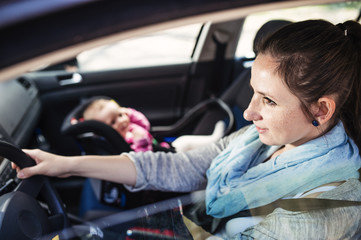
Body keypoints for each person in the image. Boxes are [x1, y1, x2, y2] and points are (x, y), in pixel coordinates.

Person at [13, 19, 361, 239]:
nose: (250, 112)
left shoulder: (326, 207)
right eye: (253, 92)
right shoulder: (263, 140)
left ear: (321, 109)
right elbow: (182, 168)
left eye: (268, 101)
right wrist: (62, 164)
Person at [81, 97, 226, 152]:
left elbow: (144, 124)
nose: (121, 120)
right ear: (105, 131)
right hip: (162, 160)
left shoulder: (128, 127)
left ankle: (212, 143)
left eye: (120, 114)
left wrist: (129, 113)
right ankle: (216, 141)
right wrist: (141, 141)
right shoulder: (124, 141)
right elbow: (143, 160)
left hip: (162, 148)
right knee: (185, 142)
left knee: (185, 143)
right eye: (113, 122)